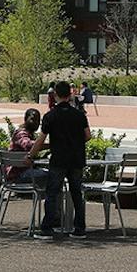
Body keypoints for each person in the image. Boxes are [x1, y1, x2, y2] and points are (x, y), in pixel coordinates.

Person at [36, 81, 90, 237]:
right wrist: (76, 142)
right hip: (76, 159)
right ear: (70, 94)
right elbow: (88, 135)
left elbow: (41, 139)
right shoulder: (79, 115)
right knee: (76, 193)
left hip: (58, 159)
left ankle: (47, 228)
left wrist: (31, 154)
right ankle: (79, 229)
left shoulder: (50, 116)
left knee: (52, 193)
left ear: (55, 95)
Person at [4, 107, 43, 184]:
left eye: (37, 121)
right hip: (17, 175)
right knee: (52, 176)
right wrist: (45, 145)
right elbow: (27, 144)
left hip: (25, 172)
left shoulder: (29, 134)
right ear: (25, 119)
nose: (35, 123)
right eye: (32, 119)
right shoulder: (21, 133)